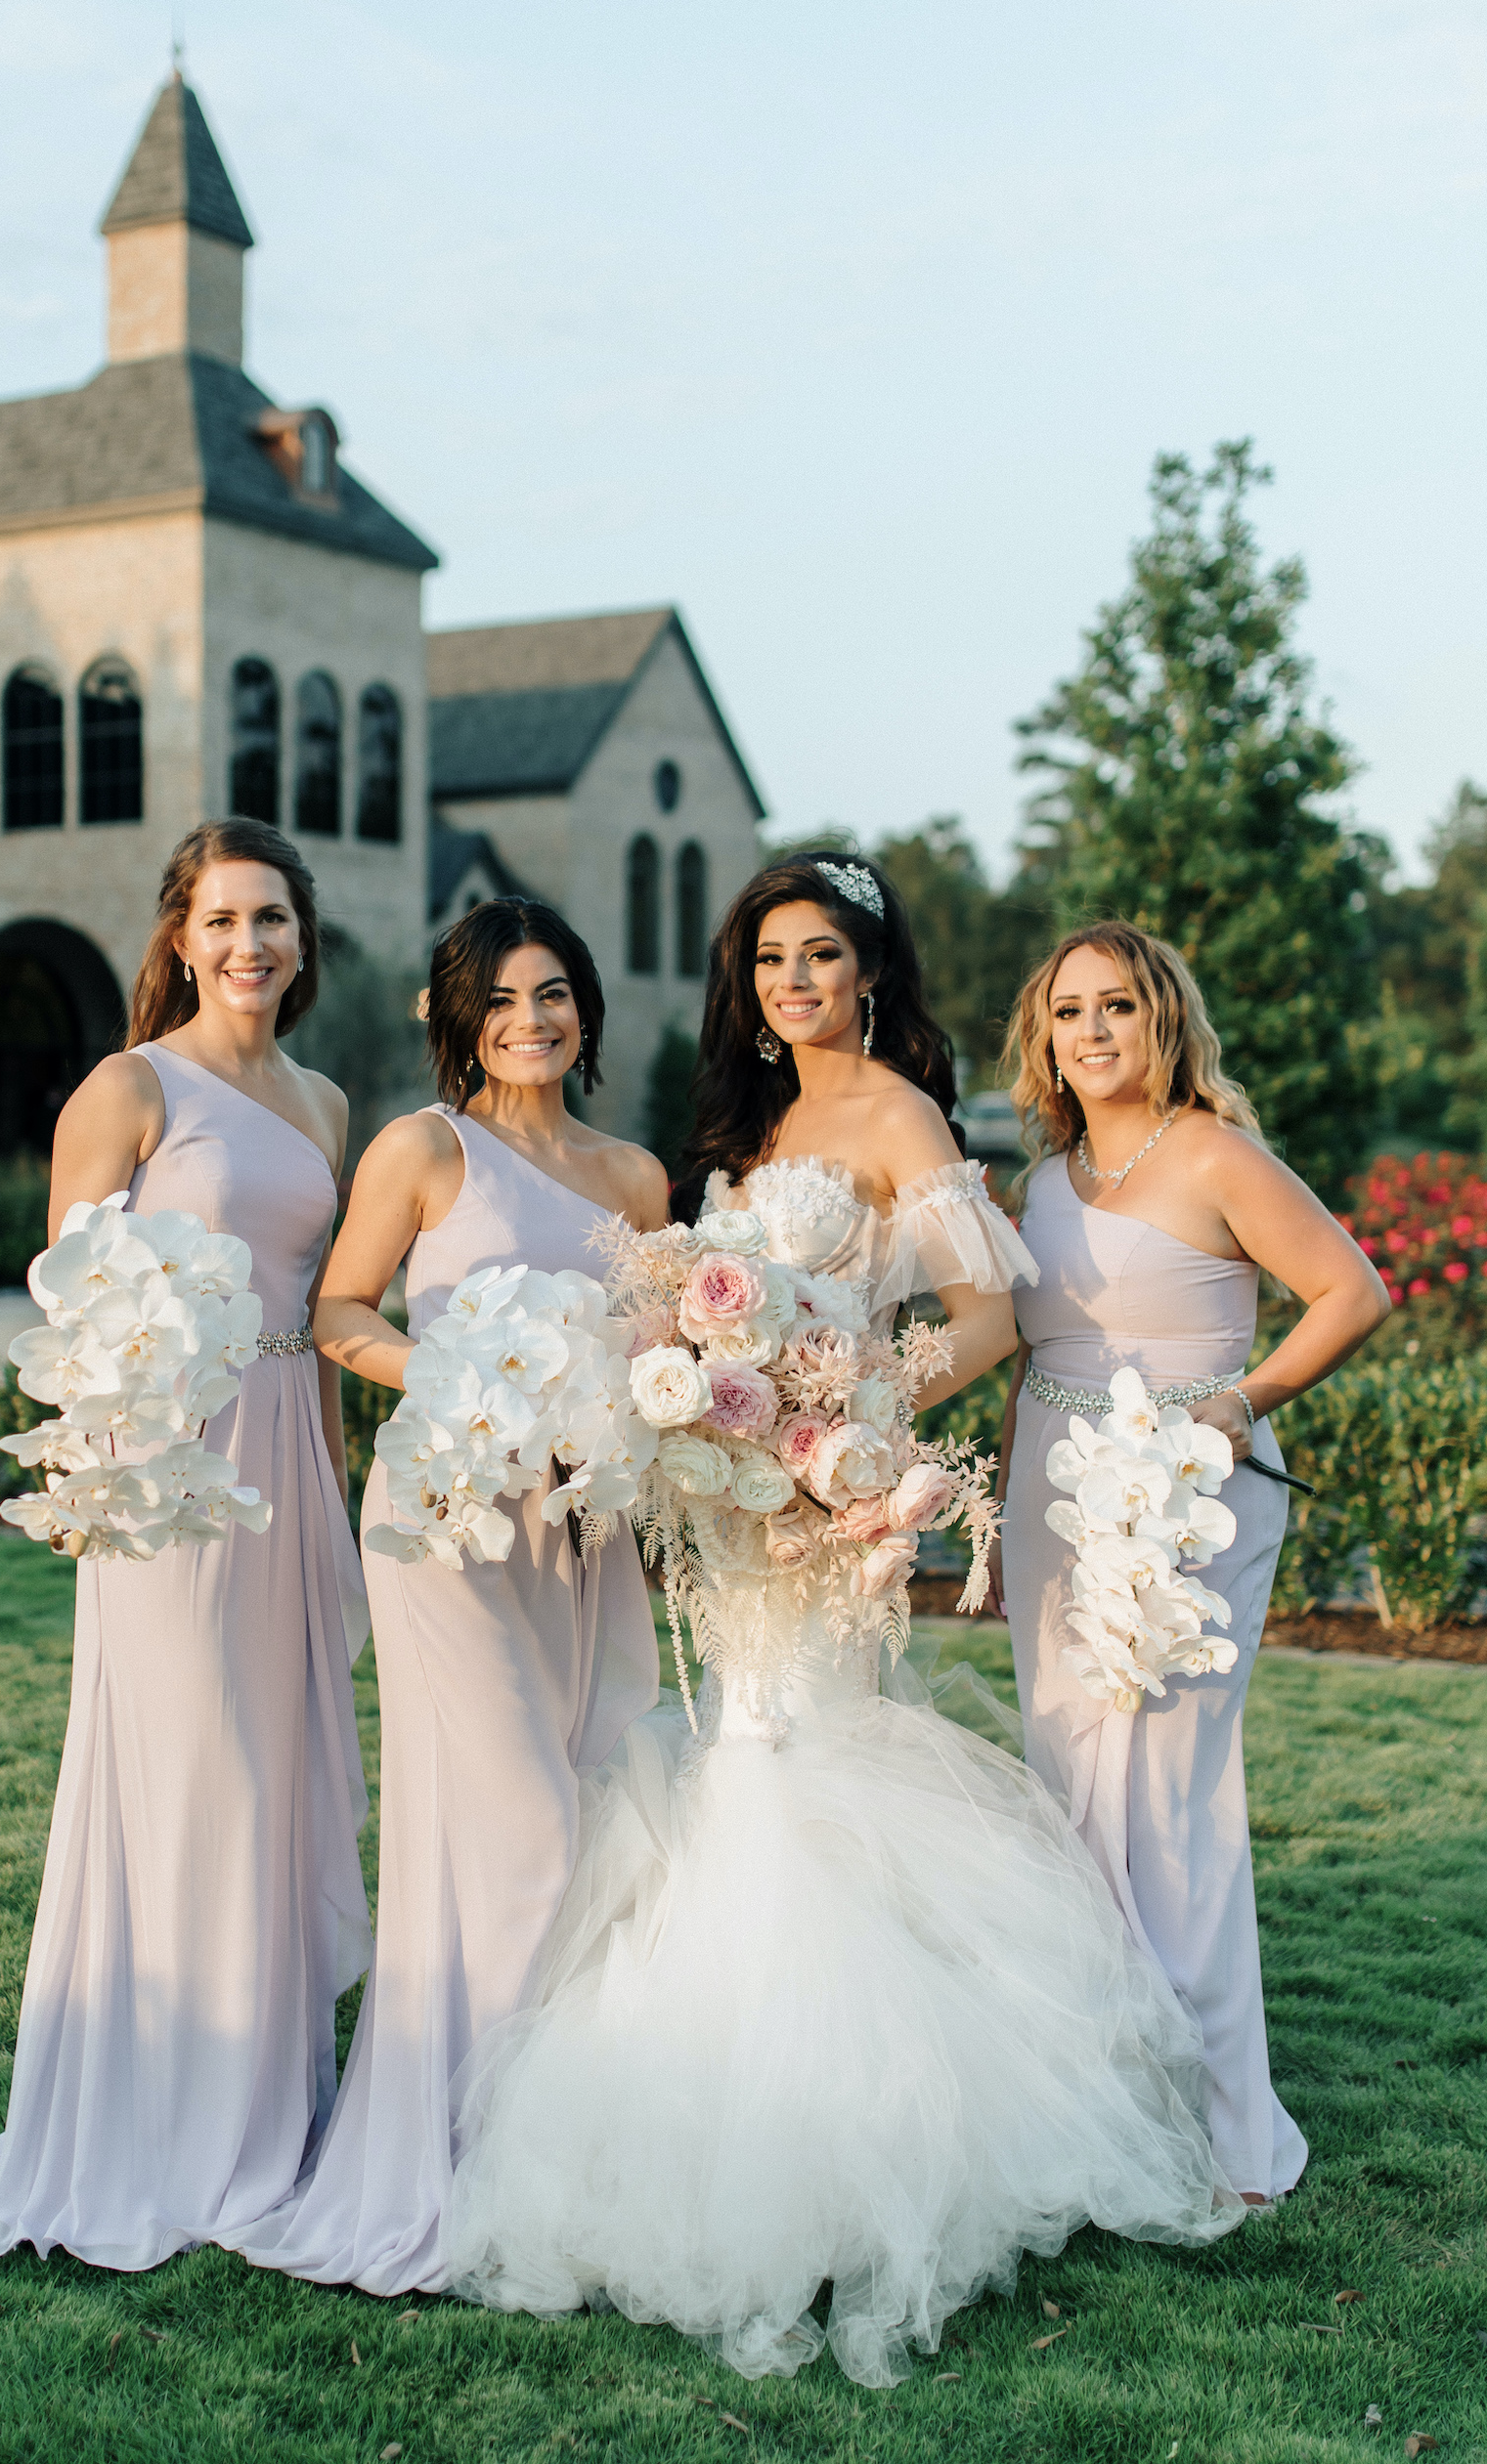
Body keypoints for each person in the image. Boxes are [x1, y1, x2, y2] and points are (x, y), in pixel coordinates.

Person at [443, 857, 1245, 2390]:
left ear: (870, 973)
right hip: (731, 1512)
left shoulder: (896, 1115)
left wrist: (844, 1435)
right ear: (745, 988)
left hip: (825, 1510)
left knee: (799, 1772)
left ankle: (853, 2150)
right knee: (737, 1769)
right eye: (770, 962)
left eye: (822, 957)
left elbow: (989, 1320)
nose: (795, 983)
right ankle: (718, 2114)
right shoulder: (743, 1132)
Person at [226, 899, 668, 2295]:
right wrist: (476, 1387)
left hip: (579, 1534)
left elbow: (657, 1363)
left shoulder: (638, 1181)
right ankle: (453, 2152)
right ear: (457, 1019)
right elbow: (342, 1313)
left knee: (590, 1804)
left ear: (585, 1007)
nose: (529, 1022)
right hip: (447, 1523)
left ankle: (561, 2154)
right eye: (501, 1000)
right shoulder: (425, 1150)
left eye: (553, 994)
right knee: (516, 1823)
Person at [0, 819, 372, 2270]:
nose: (248, 944)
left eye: (271, 918)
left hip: (287, 1477)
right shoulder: (129, 1086)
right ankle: (172, 2118)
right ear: (181, 938)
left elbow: (321, 1318)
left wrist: (333, 1488)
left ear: (302, 938)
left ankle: (268, 2105)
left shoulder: (323, 1104)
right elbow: (74, 1309)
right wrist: (112, 1479)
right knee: (200, 1768)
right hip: (172, 1476)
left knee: (284, 1776)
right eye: (222, 920)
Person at [992, 920, 1390, 2207]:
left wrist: (1243, 1399)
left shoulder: (1216, 1152)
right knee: (1074, 1793)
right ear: (1043, 1036)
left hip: (1190, 1494)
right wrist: (1003, 1521)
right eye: (1069, 1011)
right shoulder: (1041, 1181)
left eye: (1117, 1005)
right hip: (1056, 1491)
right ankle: (1110, 2097)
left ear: (1164, 1019)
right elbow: (1024, 1355)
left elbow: (1352, 1290)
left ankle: (1224, 2133)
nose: (1093, 1030)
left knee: (1168, 1794)